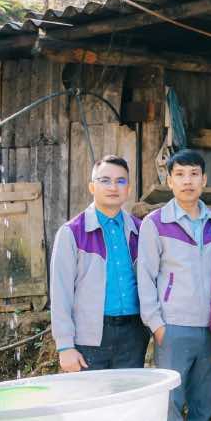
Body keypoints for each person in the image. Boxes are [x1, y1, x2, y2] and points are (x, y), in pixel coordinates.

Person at [138, 149, 211, 421]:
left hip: (210, 330)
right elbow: (145, 276)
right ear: (169, 180)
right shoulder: (155, 223)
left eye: (194, 174)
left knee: (203, 408)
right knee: (172, 409)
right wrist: (157, 325)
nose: (187, 181)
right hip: (173, 329)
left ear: (204, 180)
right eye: (180, 174)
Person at [51, 155, 147, 372]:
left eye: (120, 181)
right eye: (105, 180)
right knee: (91, 394)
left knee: (130, 394)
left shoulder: (140, 231)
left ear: (128, 189)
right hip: (89, 337)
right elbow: (60, 292)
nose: (113, 187)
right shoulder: (72, 233)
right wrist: (65, 346)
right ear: (92, 187)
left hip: (133, 335)